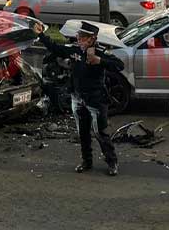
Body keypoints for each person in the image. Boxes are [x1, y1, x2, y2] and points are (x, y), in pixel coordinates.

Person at [32, 21, 124, 176]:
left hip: (96, 99)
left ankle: (112, 162)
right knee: (83, 132)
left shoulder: (100, 52)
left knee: (100, 133)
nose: (79, 39)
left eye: (82, 37)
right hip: (77, 97)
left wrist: (99, 61)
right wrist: (41, 35)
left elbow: (119, 65)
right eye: (78, 36)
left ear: (91, 39)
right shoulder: (74, 50)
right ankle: (86, 162)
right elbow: (56, 48)